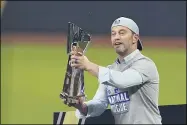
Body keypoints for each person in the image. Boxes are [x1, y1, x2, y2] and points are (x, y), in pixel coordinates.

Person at [68, 17, 162, 124]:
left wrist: (89, 65)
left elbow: (123, 81)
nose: (116, 37)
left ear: (135, 38)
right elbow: (100, 103)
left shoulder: (145, 64)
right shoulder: (111, 70)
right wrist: (82, 106)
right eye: (113, 34)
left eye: (122, 33)